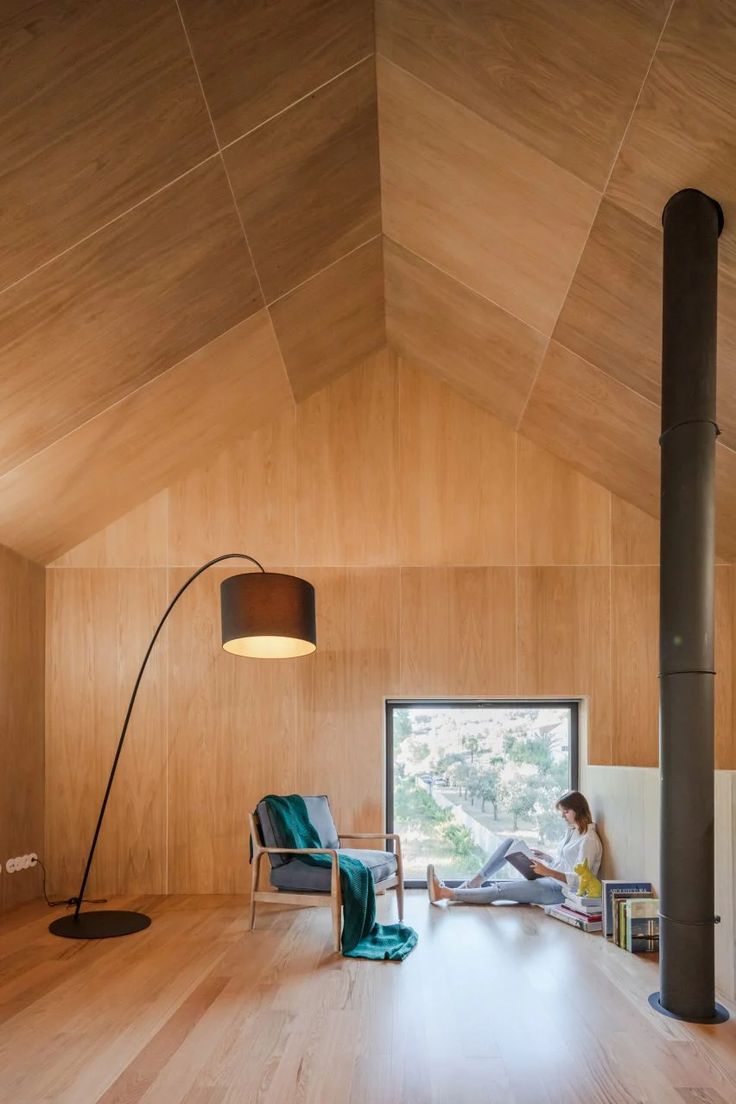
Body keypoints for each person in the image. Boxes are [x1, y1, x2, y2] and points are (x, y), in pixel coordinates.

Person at [426, 790, 602, 907]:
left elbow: (580, 880)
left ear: (578, 811)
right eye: (562, 812)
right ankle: (473, 883)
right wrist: (547, 858)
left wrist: (547, 871)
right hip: (551, 878)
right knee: (510, 842)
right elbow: (566, 863)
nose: (563, 816)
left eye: (566, 812)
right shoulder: (573, 831)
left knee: (501, 890)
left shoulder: (588, 840)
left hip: (559, 891)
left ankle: (446, 893)